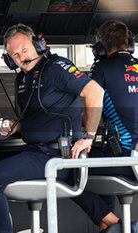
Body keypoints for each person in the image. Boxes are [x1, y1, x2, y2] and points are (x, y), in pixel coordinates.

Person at [0, 23, 104, 233]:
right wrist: (15, 127)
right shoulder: (22, 78)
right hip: (35, 151)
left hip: (54, 155)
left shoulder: (57, 67)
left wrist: (89, 137)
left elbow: (95, 92)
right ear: (9, 60)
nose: (21, 57)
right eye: (14, 55)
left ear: (38, 44)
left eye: (24, 49)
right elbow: (36, 117)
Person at [79, 19, 138, 232]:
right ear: (128, 44)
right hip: (131, 159)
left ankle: (113, 223)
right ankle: (111, 225)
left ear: (100, 48)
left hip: (124, 160)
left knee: (66, 168)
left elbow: (88, 118)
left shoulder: (102, 69)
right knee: (102, 155)